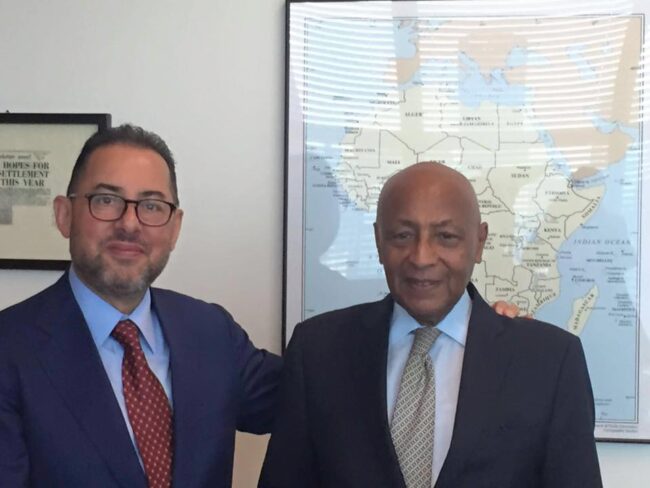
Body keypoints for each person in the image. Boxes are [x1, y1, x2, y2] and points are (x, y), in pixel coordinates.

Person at [259, 162, 602, 487]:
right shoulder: (317, 351)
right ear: (378, 240)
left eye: (446, 237)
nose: (421, 257)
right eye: (402, 236)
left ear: (479, 242)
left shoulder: (550, 362)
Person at [0, 124, 282, 488]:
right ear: (64, 214)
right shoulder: (9, 349)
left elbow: (316, 395)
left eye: (151, 206)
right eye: (106, 200)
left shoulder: (212, 332)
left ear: (175, 228)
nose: (130, 224)